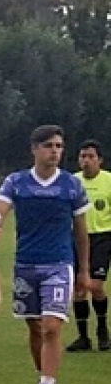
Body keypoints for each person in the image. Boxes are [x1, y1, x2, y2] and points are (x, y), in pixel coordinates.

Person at [0, 125, 90, 384]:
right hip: (26, 265)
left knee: (52, 326)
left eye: (59, 146)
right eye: (48, 146)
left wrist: (84, 270)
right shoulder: (17, 182)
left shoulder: (71, 185)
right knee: (35, 327)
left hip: (59, 264)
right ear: (34, 149)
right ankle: (45, 378)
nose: (55, 152)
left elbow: (81, 232)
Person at [66, 139, 111, 352]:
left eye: (90, 156)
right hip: (76, 238)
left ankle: (102, 329)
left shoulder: (108, 181)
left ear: (99, 160)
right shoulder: (72, 182)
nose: (86, 160)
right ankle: (83, 337)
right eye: (83, 156)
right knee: (79, 289)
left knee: (96, 286)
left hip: (102, 238)